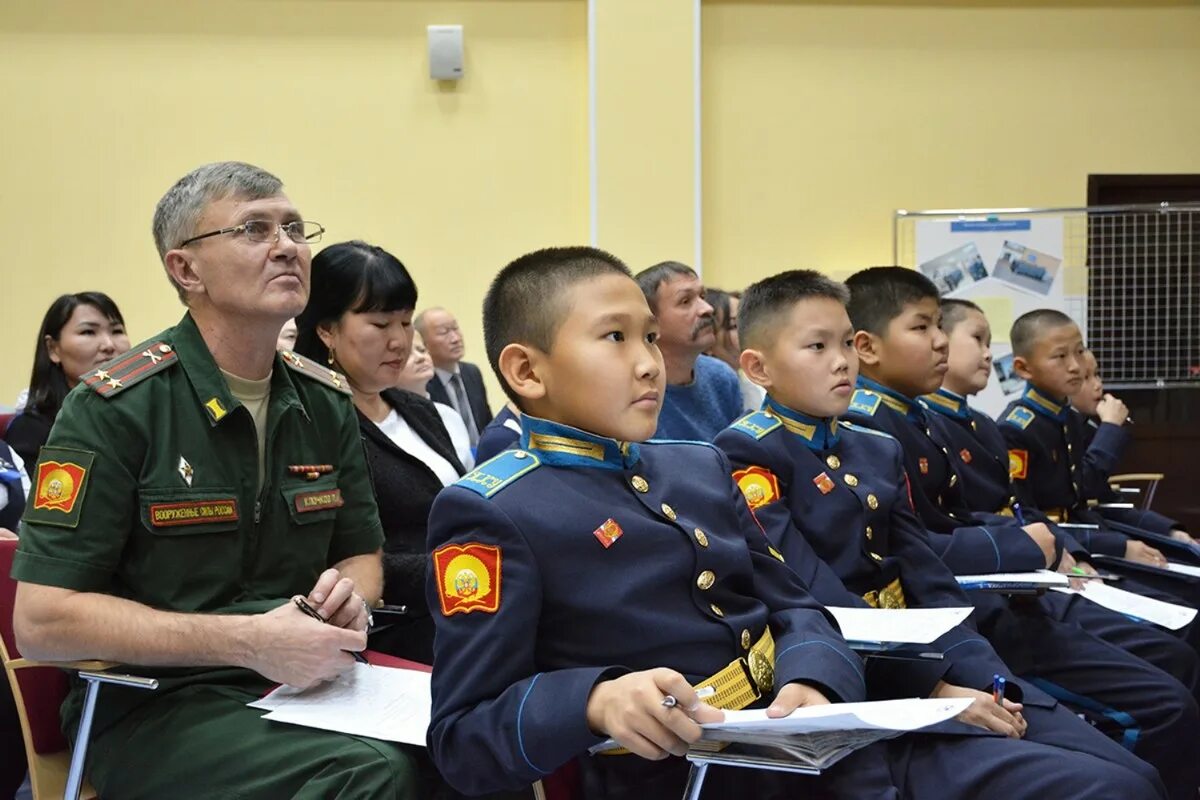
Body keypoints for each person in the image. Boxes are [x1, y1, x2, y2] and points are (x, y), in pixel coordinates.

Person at [424, 247, 1164, 800]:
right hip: (700, 775)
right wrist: (592, 698)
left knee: (1120, 774)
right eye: (615, 338)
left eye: (650, 336)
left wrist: (815, 679)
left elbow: (799, 609)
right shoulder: (495, 510)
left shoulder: (693, 467)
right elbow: (462, 737)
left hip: (816, 733)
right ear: (526, 372)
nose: (650, 362)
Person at [10, 162, 416, 799]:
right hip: (156, 701)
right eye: (254, 229)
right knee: (368, 774)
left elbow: (359, 551)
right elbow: (43, 621)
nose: (287, 245)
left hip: (307, 683)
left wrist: (349, 600)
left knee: (476, 738)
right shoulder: (116, 407)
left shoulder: (324, 399)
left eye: (293, 228)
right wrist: (249, 641)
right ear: (186, 270)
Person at [714, 268, 1178, 794]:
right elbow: (811, 594)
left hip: (937, 653)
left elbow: (928, 578)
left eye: (845, 342)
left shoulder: (874, 448)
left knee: (1135, 773)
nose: (842, 360)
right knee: (1112, 788)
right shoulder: (747, 452)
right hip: (868, 679)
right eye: (816, 347)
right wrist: (934, 687)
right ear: (758, 367)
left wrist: (985, 675)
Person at [840, 267, 1200, 798]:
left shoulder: (919, 420)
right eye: (923, 328)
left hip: (1003, 596)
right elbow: (912, 551)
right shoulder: (872, 426)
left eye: (942, 325)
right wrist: (1029, 542)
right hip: (968, 616)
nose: (941, 341)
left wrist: (1051, 543)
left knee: (1176, 661)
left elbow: (977, 515)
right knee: (1156, 723)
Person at [294, 240, 467, 665]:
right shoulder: (311, 422)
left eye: (406, 323)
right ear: (327, 329)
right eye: (380, 324)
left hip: (464, 611)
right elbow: (338, 552)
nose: (400, 342)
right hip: (398, 633)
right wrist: (460, 569)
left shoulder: (418, 410)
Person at [999, 310, 1189, 563]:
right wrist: (1117, 546)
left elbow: (1096, 500)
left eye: (1079, 351)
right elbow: (1025, 518)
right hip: (1060, 553)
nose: (1076, 366)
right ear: (1023, 368)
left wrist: (1168, 531)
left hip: (1087, 538)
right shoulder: (1017, 429)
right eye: (1060, 356)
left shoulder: (1070, 420)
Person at [1069, 349, 1194, 543]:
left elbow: (1107, 502)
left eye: (1097, 374)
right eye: (1086, 378)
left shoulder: (1087, 427)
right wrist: (1109, 428)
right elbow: (1084, 490)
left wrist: (1169, 532)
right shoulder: (1056, 431)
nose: (1098, 385)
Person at [4, 292, 130, 466]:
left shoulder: (143, 416)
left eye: (117, 331)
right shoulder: (31, 429)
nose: (109, 345)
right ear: (53, 349)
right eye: (88, 332)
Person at [634, 261, 742, 441]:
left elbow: (739, 455)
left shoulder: (722, 377)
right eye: (685, 301)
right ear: (651, 324)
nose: (707, 309)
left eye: (702, 296)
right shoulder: (633, 388)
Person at [396, 328, 475, 471]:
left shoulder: (449, 415)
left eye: (421, 350)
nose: (420, 357)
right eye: (407, 354)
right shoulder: (393, 424)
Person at [416, 306, 493, 444]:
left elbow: (486, 421)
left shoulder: (472, 372)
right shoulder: (422, 383)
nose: (455, 338)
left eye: (455, 328)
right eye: (443, 332)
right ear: (424, 343)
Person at [705, 287, 765, 412]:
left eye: (746, 324)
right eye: (734, 326)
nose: (747, 332)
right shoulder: (708, 398)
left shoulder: (753, 386)